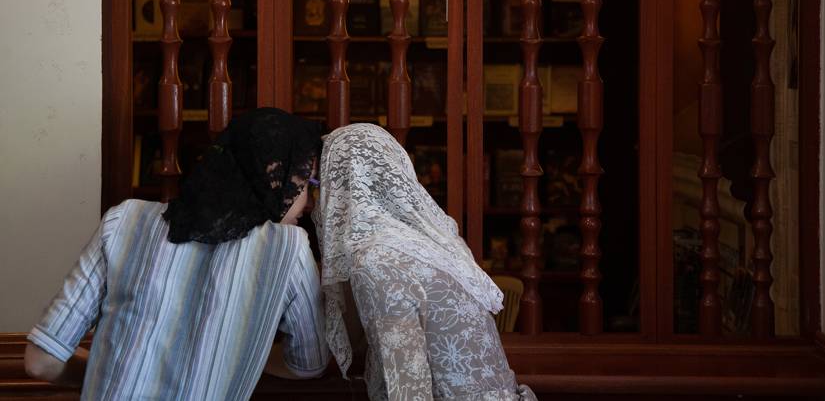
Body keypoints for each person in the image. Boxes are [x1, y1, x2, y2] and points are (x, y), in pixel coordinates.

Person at [24, 108, 329, 400]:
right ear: (274, 177)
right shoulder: (289, 248)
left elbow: (41, 360)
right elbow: (309, 362)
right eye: (307, 182)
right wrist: (241, 353)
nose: (309, 200)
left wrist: (108, 374)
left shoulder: (124, 221)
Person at [312, 123, 537, 401]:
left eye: (318, 184)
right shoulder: (426, 243)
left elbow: (409, 390)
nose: (316, 200)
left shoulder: (378, 261)